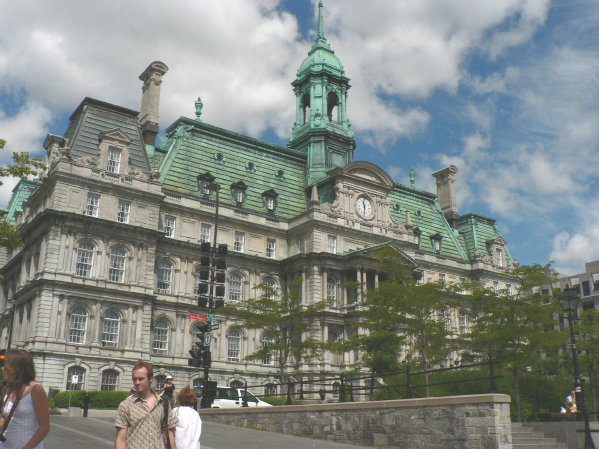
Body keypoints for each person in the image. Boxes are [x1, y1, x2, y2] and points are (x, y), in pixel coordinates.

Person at [114, 362, 177, 449]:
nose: (137, 382)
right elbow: (120, 439)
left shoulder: (163, 403)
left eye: (141, 379)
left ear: (151, 379)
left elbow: (170, 435)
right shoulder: (126, 405)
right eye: (134, 379)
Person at [0, 349, 50, 449]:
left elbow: (45, 427)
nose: (2, 368)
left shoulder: (35, 389)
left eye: (5, 365)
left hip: (26, 445)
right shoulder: (9, 389)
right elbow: (4, 417)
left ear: (17, 368)